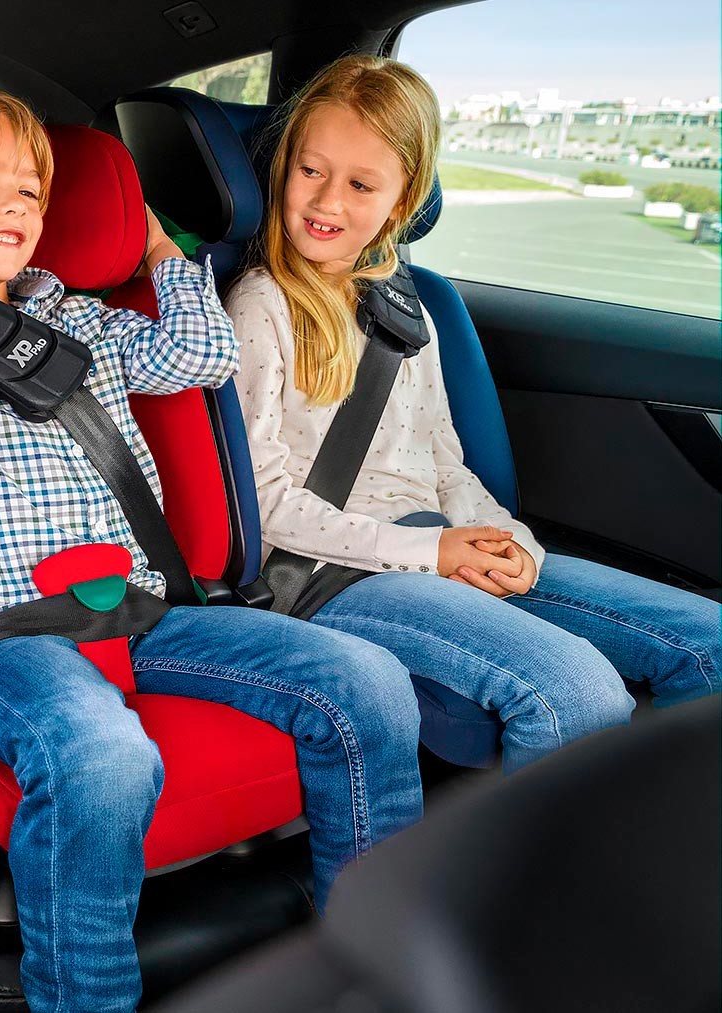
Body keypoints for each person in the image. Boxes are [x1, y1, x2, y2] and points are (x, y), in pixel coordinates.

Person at [0, 88, 424, 1013]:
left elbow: (203, 355)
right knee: (106, 754)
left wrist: (154, 245)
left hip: (137, 612)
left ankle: (376, 963)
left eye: (31, 192)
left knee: (369, 680)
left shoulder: (84, 322)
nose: (14, 206)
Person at [225, 54, 719, 773]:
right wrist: (431, 553)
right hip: (331, 573)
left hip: (434, 543)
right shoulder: (261, 305)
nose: (327, 200)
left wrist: (512, 544)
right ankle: (546, 853)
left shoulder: (406, 308)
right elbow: (261, 504)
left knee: (710, 643)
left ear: (401, 201)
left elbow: (444, 463)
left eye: (360, 184)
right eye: (311, 170)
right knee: (575, 692)